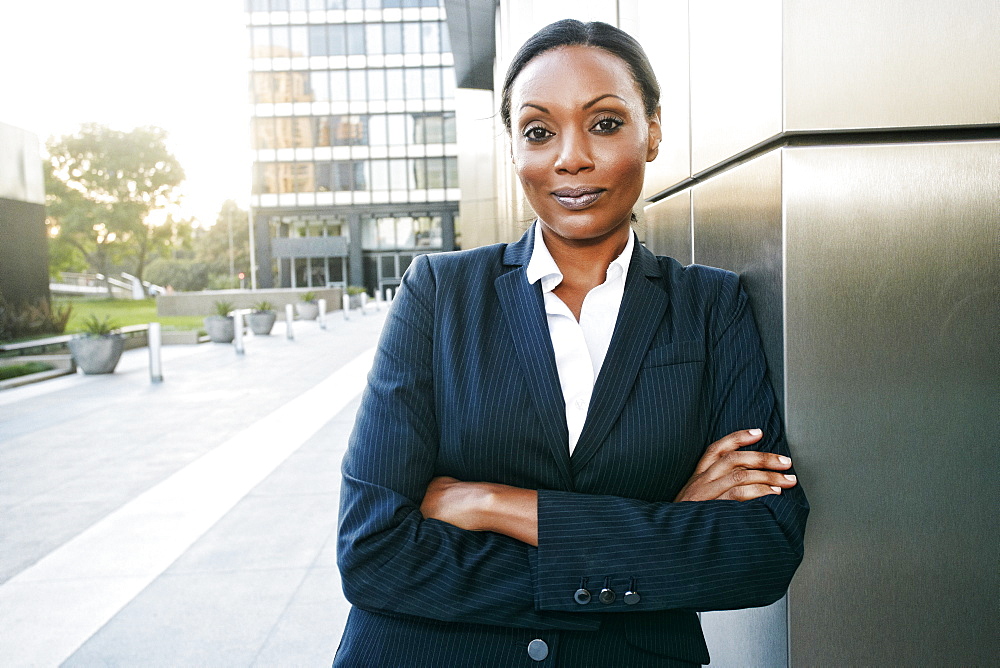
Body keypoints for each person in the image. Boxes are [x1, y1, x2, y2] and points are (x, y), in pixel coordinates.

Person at [334, 19, 808, 667]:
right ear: (515, 150)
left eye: (606, 123)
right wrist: (658, 526)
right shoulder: (440, 295)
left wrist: (491, 503)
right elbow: (374, 553)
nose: (570, 157)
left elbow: (761, 551)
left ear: (654, 133)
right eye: (538, 131)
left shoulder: (710, 308)